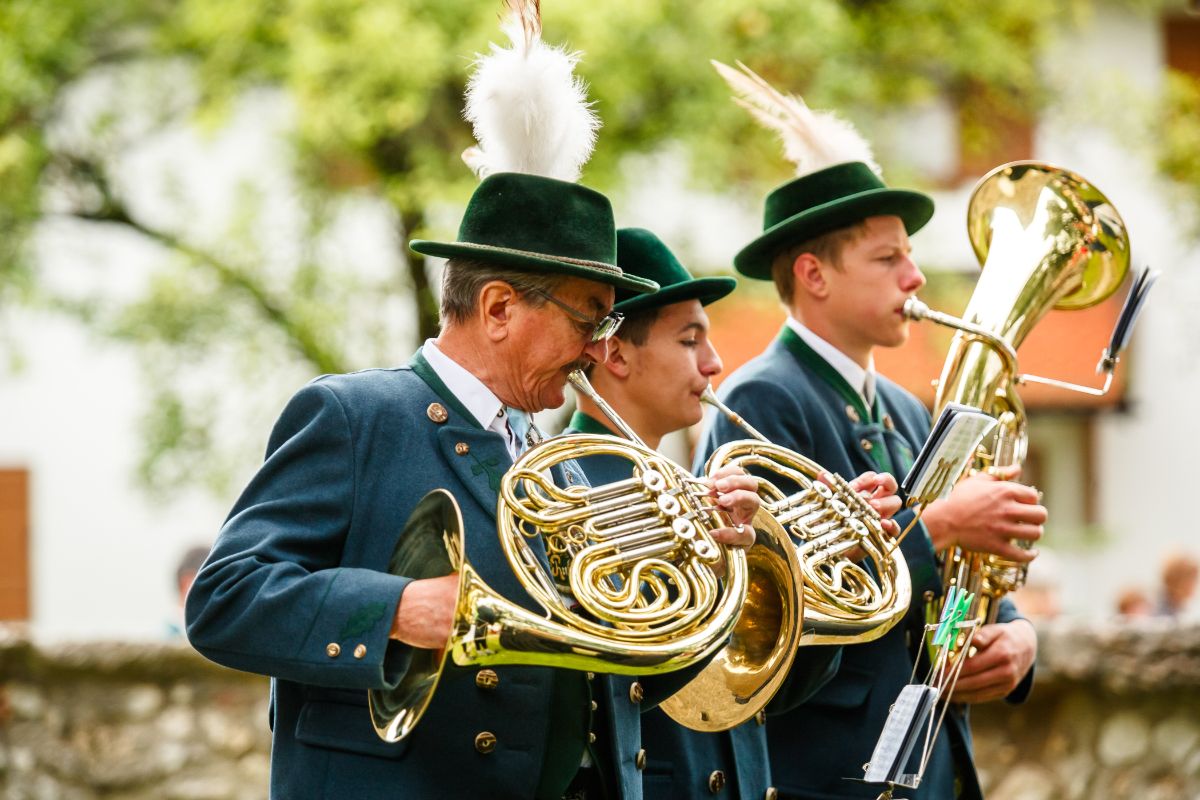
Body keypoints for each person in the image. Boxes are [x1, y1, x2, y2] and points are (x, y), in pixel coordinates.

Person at [185, 7, 763, 796]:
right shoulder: (356, 418)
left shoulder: (556, 462)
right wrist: (396, 609)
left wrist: (709, 554)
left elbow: (625, 672)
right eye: (590, 317)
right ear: (497, 309)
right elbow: (224, 598)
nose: (602, 349)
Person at [699, 63, 1042, 799]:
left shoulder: (906, 405)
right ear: (814, 275)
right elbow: (779, 601)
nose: (914, 278)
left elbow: (952, 584)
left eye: (910, 257)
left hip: (929, 761)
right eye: (888, 259)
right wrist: (944, 525)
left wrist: (1013, 633)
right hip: (824, 768)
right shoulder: (765, 395)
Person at [565, 227, 904, 800]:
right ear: (616, 353)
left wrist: (818, 567)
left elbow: (749, 689)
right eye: (689, 341)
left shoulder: (689, 488)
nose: (715, 362)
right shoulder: (574, 491)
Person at [1155, 551, 1199, 618]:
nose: (1195, 584)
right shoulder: (1161, 611)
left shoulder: (1177, 607)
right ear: (1179, 582)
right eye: (1192, 579)